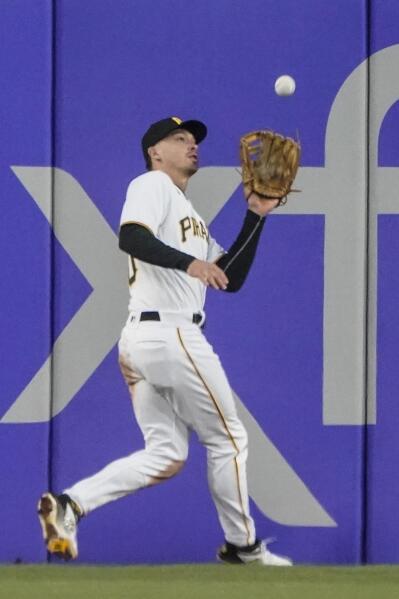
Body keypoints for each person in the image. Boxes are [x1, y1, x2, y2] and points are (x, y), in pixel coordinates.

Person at [37, 116, 292, 566]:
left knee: (168, 453)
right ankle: (243, 546)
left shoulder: (188, 214)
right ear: (156, 151)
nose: (192, 145)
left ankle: (70, 503)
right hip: (170, 331)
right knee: (228, 438)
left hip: (143, 341)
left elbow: (229, 279)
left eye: (194, 140)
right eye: (179, 139)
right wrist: (189, 265)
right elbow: (130, 237)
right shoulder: (152, 184)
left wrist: (255, 214)